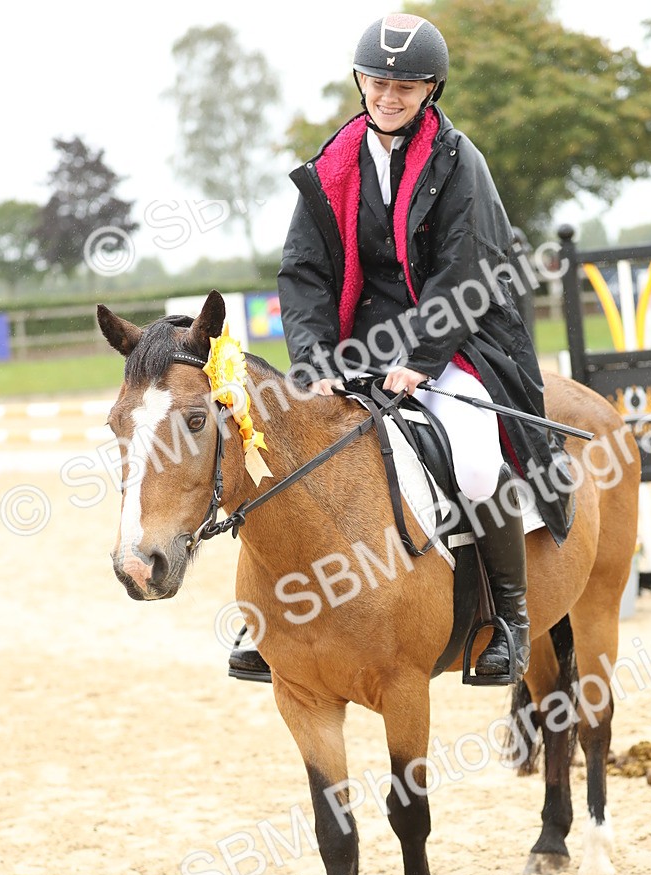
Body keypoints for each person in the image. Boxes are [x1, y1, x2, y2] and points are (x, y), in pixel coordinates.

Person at [230, 13, 572, 686]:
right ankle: (271, 617)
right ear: (359, 81)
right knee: (284, 453)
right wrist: (315, 360)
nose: (390, 96)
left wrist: (419, 359)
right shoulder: (332, 165)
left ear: (430, 90)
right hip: (354, 349)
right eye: (379, 81)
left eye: (406, 86)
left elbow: (467, 269)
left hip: (457, 340)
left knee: (474, 463)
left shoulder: (459, 162)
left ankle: (509, 620)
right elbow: (303, 273)